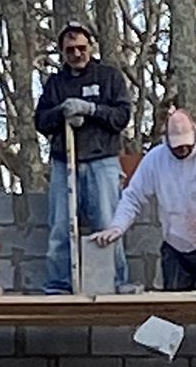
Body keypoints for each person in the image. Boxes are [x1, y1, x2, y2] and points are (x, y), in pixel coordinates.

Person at [92, 108, 196, 291]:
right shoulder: (156, 159)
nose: (183, 149)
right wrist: (117, 226)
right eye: (177, 146)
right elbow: (132, 196)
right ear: (168, 141)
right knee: (174, 303)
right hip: (176, 243)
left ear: (195, 133)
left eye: (187, 144)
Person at [34, 20, 131, 294]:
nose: (76, 54)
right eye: (69, 50)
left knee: (107, 224)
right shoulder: (55, 84)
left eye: (81, 48)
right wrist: (61, 113)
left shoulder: (109, 77)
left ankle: (115, 281)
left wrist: (91, 110)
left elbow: (121, 116)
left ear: (90, 47)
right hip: (65, 162)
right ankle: (59, 285)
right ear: (62, 53)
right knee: (61, 228)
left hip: (102, 161)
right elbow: (40, 121)